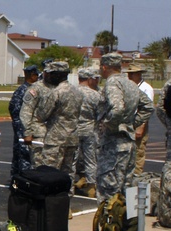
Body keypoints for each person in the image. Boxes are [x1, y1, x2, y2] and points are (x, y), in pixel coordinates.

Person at [96, 53, 153, 204]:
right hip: (128, 143)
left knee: (109, 189)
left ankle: (109, 224)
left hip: (113, 144)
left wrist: (112, 126)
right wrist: (132, 124)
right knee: (127, 186)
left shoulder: (113, 83)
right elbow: (148, 106)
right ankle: (127, 224)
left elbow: (117, 108)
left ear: (104, 67)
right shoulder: (130, 84)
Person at [28, 61, 83, 217]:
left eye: (51, 74)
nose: (48, 76)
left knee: (50, 173)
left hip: (55, 139)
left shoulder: (56, 92)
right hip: (72, 138)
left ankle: (49, 205)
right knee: (68, 173)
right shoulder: (77, 92)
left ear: (58, 75)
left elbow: (42, 114)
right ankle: (66, 207)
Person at [19, 59, 55, 168]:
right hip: (39, 133)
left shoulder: (58, 88)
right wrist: (28, 132)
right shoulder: (36, 88)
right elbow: (26, 112)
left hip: (55, 134)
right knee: (38, 165)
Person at [8, 65, 39, 180]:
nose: (38, 78)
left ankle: (16, 179)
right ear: (32, 75)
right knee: (24, 156)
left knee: (19, 155)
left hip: (22, 126)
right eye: (36, 75)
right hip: (22, 127)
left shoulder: (29, 88)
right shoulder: (25, 90)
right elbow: (14, 108)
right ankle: (23, 180)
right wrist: (20, 125)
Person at [74, 67, 102, 198]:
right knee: (91, 159)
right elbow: (101, 114)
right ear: (89, 79)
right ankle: (91, 186)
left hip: (73, 129)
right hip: (90, 129)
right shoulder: (94, 94)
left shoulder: (71, 91)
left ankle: (71, 185)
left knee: (72, 159)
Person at [126, 64, 154, 175]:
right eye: (129, 74)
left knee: (138, 151)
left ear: (138, 74)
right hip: (128, 122)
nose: (130, 76)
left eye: (132, 74)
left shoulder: (146, 88)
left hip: (139, 123)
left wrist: (141, 127)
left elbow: (147, 110)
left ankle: (137, 175)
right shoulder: (128, 86)